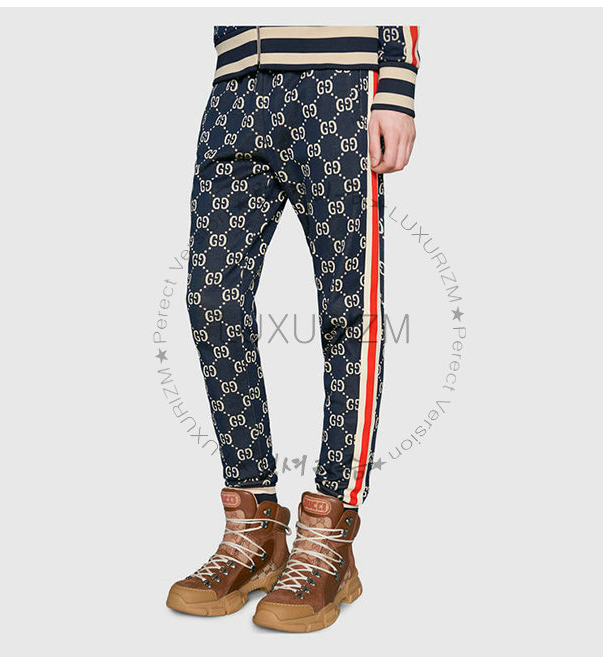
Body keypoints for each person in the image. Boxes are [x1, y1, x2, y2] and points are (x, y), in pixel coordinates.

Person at [167, 25, 419, 632]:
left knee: (347, 311)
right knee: (212, 299)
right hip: (235, 86)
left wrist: (397, 83)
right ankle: (254, 529)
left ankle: (330, 537)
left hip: (341, 84)